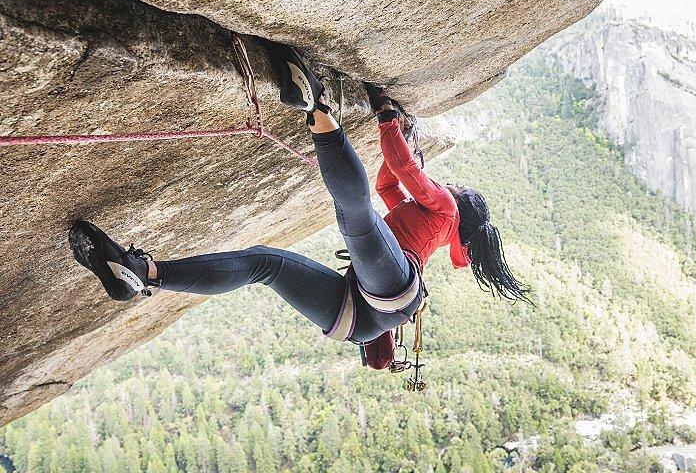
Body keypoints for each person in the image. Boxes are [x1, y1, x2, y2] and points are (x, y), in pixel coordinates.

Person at [69, 46, 529, 360]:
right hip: (361, 319)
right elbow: (391, 183)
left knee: (358, 217)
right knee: (265, 263)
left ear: (464, 204)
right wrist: (400, 137)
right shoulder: (438, 218)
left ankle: (317, 108)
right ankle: (143, 275)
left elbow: (405, 174)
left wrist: (389, 119)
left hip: (384, 293)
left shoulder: (446, 208)